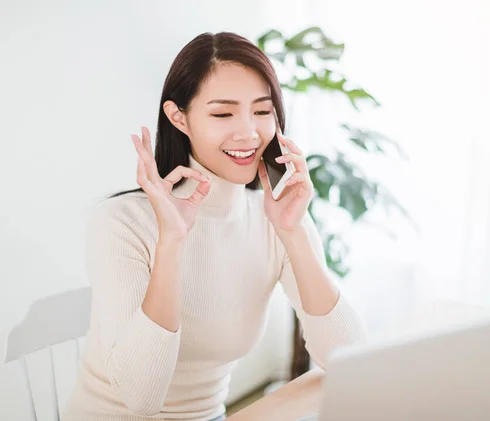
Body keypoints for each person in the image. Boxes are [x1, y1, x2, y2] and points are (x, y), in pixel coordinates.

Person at [61, 32, 367, 421]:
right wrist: (171, 241)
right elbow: (141, 398)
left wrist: (293, 232)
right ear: (179, 117)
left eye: (262, 111)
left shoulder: (276, 217)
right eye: (223, 114)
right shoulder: (123, 222)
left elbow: (348, 359)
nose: (249, 133)